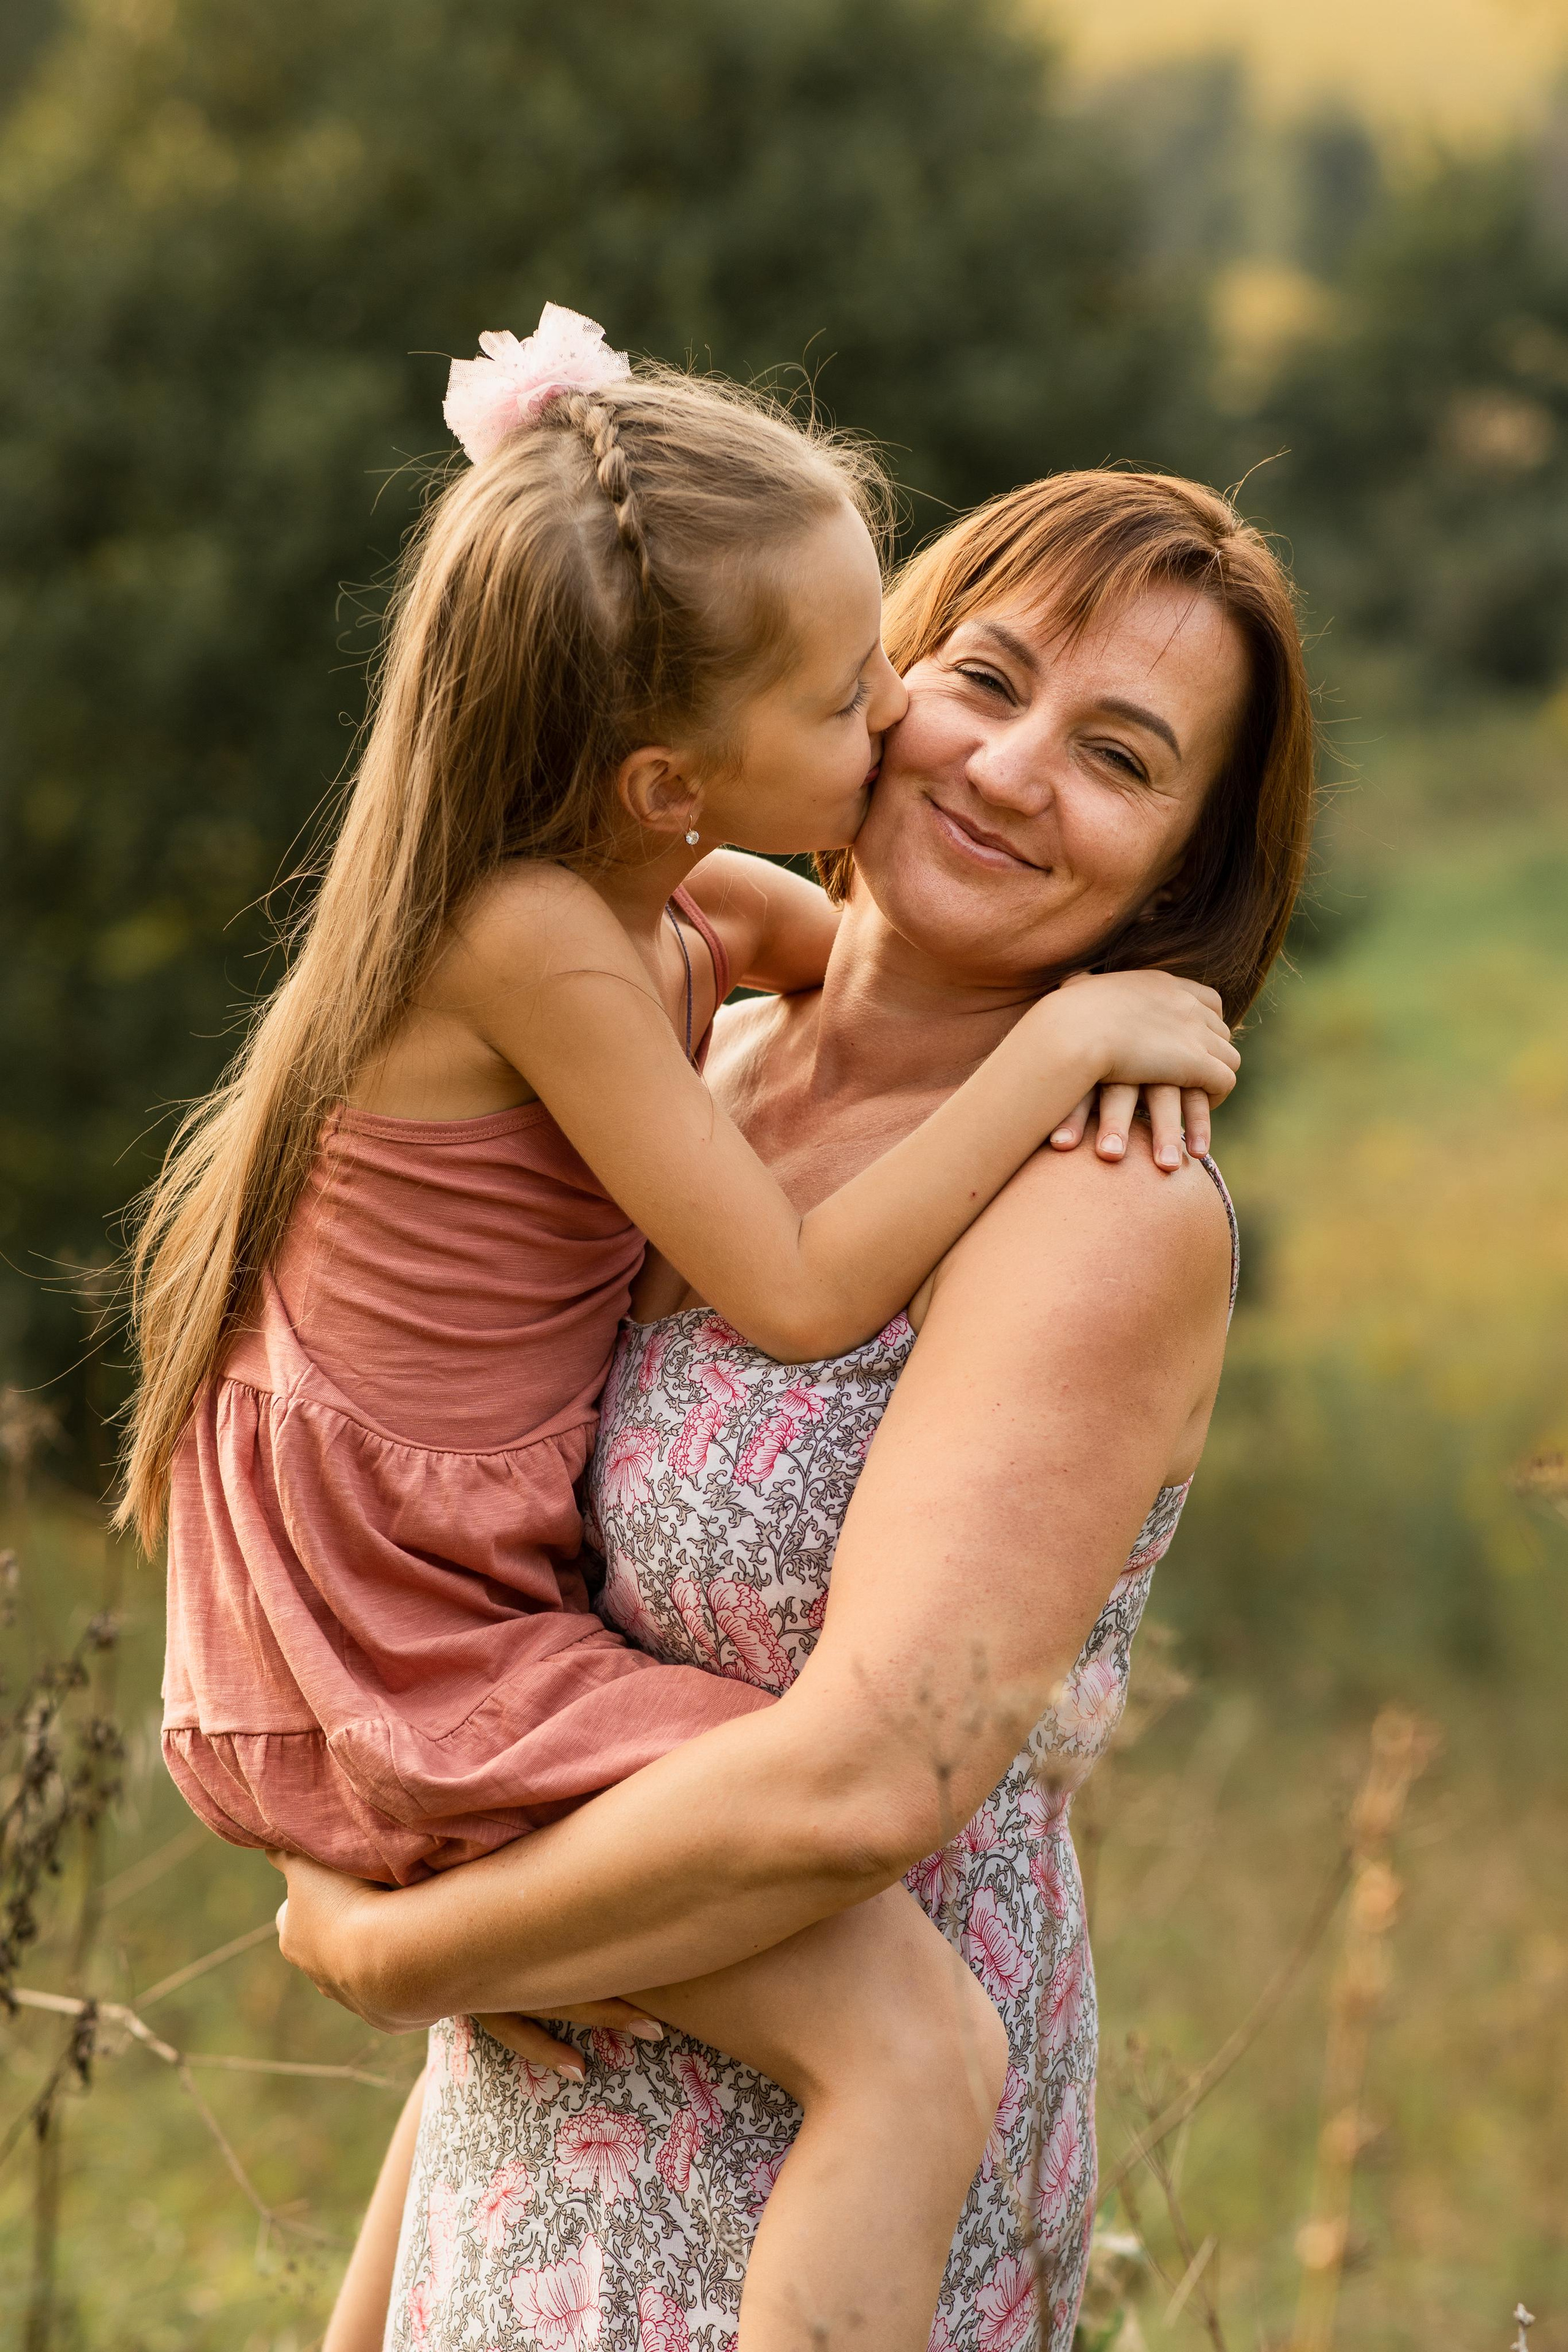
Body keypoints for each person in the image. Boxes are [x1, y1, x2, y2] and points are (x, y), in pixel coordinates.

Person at [121, 309, 1240, 2352]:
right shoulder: (681, 1040)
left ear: (1183, 868)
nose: (966, 746)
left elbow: (848, 1788)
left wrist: (404, 1957)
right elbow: (572, 1717)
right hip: (532, 2184)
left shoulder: (1097, 1204)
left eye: (1120, 757)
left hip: (791, 2214)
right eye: (943, 676)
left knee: (916, 2055)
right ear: (677, 762)